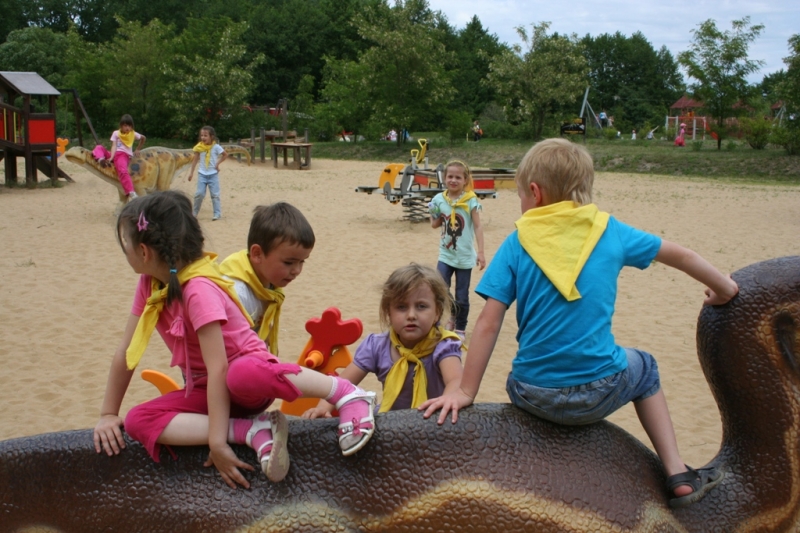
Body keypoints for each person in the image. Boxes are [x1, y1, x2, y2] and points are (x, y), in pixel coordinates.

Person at [420, 138, 739, 509]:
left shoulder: (518, 241)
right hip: (601, 391)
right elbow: (682, 255)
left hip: (531, 393)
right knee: (646, 368)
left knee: (525, 367)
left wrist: (466, 391)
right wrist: (724, 288)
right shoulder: (610, 230)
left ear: (535, 193)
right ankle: (677, 472)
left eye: (521, 195)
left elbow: (489, 323)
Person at [93, 191, 376, 489]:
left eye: (124, 244)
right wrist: (108, 413)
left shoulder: (198, 289)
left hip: (247, 384)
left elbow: (219, 369)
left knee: (240, 372)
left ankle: (347, 393)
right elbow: (126, 350)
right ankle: (251, 430)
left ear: (143, 251)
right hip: (207, 391)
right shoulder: (150, 284)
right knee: (140, 420)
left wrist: (217, 445)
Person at [302, 263, 464, 418]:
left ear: (437, 312)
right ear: (388, 313)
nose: (411, 315)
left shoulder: (443, 345)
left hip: (432, 420)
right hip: (390, 422)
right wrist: (322, 408)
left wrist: (447, 400)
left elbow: (455, 380)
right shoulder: (377, 345)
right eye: (401, 307)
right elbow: (341, 384)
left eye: (421, 306)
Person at [219, 202, 314, 355]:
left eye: (302, 261)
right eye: (288, 263)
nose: (297, 270)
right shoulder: (237, 295)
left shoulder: (266, 282)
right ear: (257, 254)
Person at [428, 160, 486, 341]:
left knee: (462, 295)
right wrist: (433, 212)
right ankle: (451, 314)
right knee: (440, 288)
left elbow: (477, 227)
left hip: (464, 257)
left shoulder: (470, 201)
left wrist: (481, 252)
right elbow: (435, 224)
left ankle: (460, 327)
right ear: (445, 178)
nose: (453, 180)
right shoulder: (439, 199)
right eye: (450, 176)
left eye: (458, 177)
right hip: (446, 254)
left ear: (465, 180)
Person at [92, 114, 146, 201]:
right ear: (121, 125)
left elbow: (143, 138)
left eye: (129, 125)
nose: (127, 128)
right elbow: (114, 145)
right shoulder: (116, 133)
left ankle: (131, 192)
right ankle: (101, 159)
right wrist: (111, 157)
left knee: (122, 170)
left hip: (123, 155)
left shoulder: (133, 134)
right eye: (125, 125)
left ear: (132, 126)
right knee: (98, 147)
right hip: (114, 153)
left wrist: (137, 149)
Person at [188, 126, 227, 221]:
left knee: (215, 195)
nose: (203, 137)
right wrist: (191, 173)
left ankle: (217, 214)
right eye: (201, 135)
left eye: (205, 135)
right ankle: (194, 213)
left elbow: (225, 155)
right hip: (202, 174)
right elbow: (195, 160)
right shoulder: (199, 147)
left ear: (211, 137)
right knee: (199, 194)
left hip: (213, 175)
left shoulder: (216, 147)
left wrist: (217, 164)